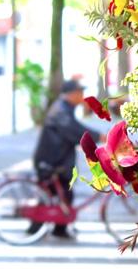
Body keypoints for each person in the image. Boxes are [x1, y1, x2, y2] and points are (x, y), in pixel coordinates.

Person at [32, 79, 101, 239]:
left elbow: (74, 128)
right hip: (52, 160)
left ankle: (56, 228)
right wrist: (98, 136)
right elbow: (73, 130)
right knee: (55, 193)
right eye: (80, 93)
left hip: (56, 159)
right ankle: (42, 227)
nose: (82, 96)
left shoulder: (63, 108)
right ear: (72, 94)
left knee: (59, 193)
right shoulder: (61, 111)